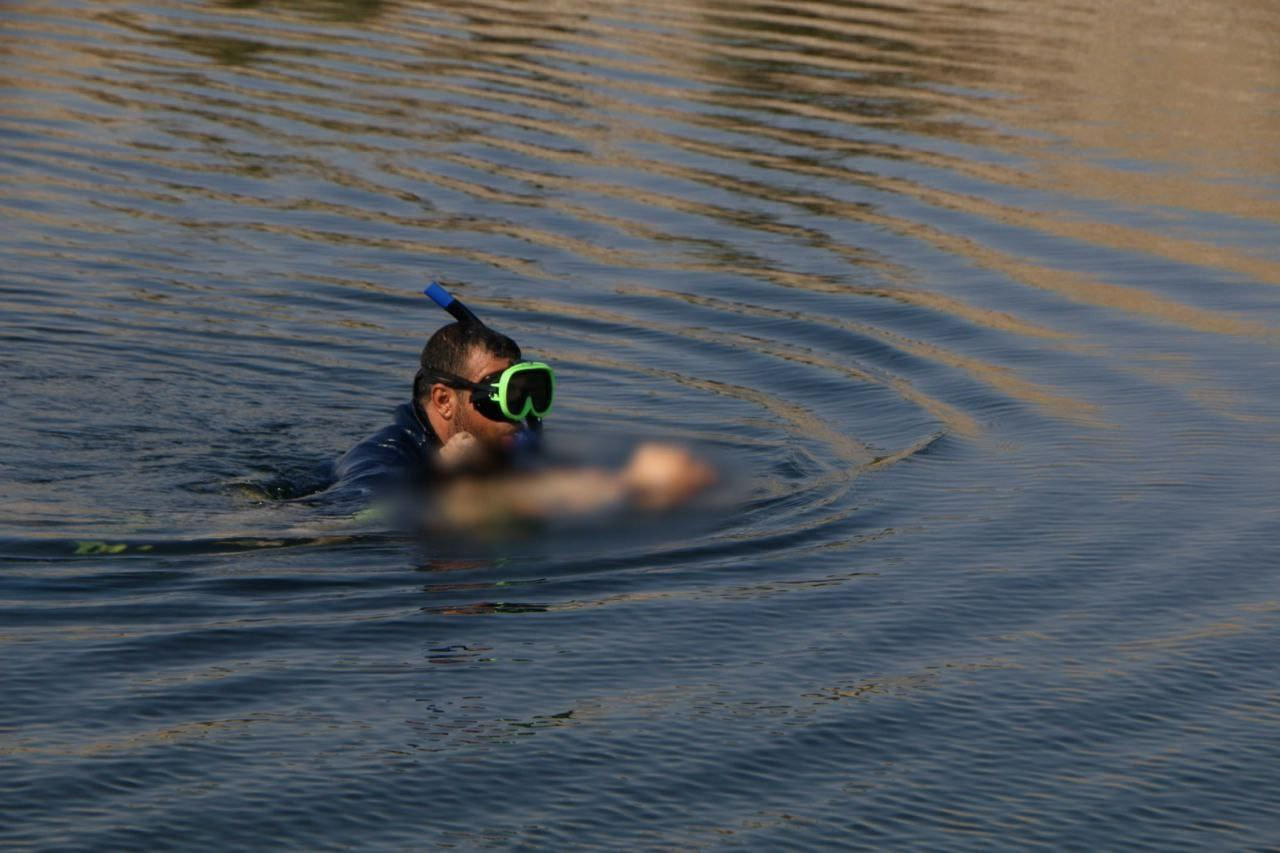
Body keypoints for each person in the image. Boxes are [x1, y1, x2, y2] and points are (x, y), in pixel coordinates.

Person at [330, 284, 713, 526]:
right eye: (499, 397)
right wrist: (437, 481)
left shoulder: (511, 441)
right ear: (444, 401)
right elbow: (336, 524)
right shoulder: (381, 462)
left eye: (530, 395)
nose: (519, 415)